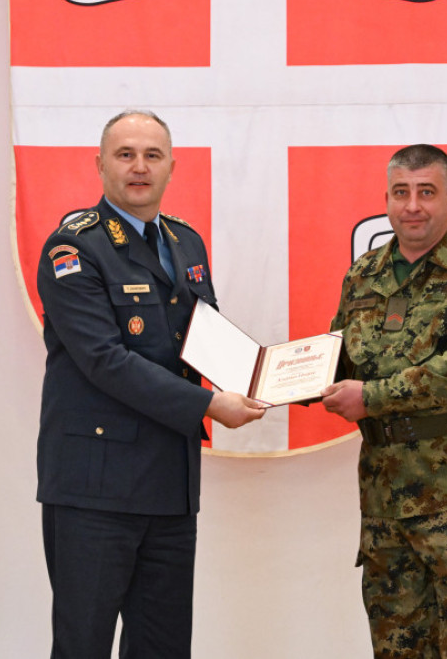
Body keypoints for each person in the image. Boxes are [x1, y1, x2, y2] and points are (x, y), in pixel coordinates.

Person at [36, 110, 266, 659]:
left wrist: (275, 377)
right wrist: (209, 404)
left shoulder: (186, 242)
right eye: (125, 155)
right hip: (95, 487)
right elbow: (105, 361)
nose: (139, 167)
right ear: (100, 165)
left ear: (171, 167)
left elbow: (204, 339)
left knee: (163, 648)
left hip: (169, 483)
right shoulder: (73, 249)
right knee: (83, 646)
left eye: (152, 155)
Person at [321, 144, 447, 658]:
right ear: (387, 199)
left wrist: (372, 397)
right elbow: (337, 359)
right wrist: (276, 380)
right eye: (401, 192)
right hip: (384, 505)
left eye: (426, 192)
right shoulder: (363, 275)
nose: (412, 206)